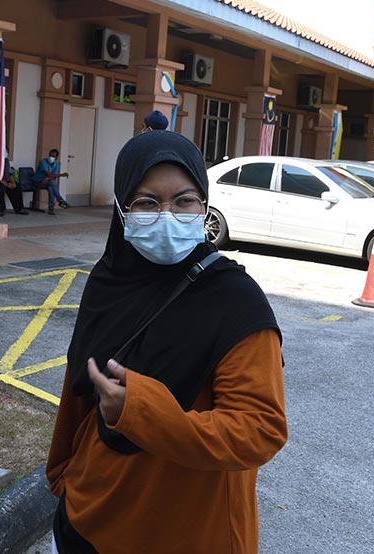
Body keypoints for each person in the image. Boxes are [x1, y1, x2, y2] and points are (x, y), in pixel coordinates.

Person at [46, 130, 287, 554]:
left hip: (186, 532)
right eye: (146, 203)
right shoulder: (108, 283)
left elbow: (259, 429)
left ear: (204, 206)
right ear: (122, 210)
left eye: (184, 201)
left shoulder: (235, 302)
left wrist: (139, 410)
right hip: (88, 523)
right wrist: (63, 478)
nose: (167, 215)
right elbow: (78, 390)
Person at [33, 149, 70, 215]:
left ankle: (51, 208)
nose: (51, 157)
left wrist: (48, 178)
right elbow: (49, 174)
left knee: (51, 187)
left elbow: (53, 177)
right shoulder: (43, 162)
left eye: (53, 156)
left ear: (56, 158)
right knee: (52, 183)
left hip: (47, 182)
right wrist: (61, 175)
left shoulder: (56, 164)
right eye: (50, 155)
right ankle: (60, 201)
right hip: (37, 181)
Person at [0, 147, 28, 216]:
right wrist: (6, 184)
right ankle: (0, 209)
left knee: (17, 186)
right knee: (0, 187)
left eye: (7, 152)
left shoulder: (6, 161)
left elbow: (9, 173)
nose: (6, 153)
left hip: (5, 180)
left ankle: (19, 208)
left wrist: (13, 183)